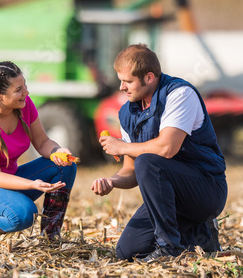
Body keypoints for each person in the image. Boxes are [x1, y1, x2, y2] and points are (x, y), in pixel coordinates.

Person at [92, 43, 227, 261]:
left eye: (127, 81)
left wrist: (122, 146)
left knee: (148, 161)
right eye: (120, 80)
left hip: (206, 189)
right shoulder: (127, 112)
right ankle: (201, 238)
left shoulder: (180, 94)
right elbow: (131, 170)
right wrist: (112, 181)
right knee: (127, 252)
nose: (121, 87)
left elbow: (166, 148)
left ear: (149, 77)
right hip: (169, 198)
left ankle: (169, 248)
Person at [0, 61, 77, 242]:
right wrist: (32, 184)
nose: (26, 92)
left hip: (6, 180)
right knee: (25, 214)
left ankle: (51, 236)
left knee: (65, 166)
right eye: (18, 89)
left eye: (25, 85)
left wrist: (57, 151)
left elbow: (42, 142)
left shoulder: (25, 106)